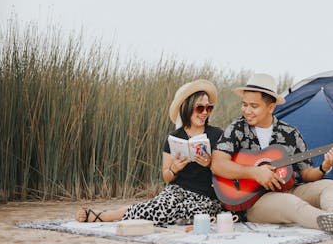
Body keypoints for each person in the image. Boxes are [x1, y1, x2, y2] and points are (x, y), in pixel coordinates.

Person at [211, 73, 333, 236]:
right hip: (255, 201)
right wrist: (254, 172)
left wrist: (324, 167)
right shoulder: (237, 128)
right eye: (244, 104)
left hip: (290, 190)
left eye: (253, 106)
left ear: (271, 107)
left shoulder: (290, 133)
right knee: (292, 204)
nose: (247, 110)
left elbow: (306, 174)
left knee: (330, 185)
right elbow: (218, 165)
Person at [75, 79, 225, 226]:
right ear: (187, 107)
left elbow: (226, 170)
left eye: (208, 108)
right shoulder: (174, 138)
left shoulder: (217, 135)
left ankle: (124, 213)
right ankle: (107, 215)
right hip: (177, 191)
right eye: (200, 108)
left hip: (205, 196)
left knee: (191, 213)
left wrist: (210, 163)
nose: (205, 112)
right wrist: (174, 168)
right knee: (162, 207)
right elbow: (166, 175)